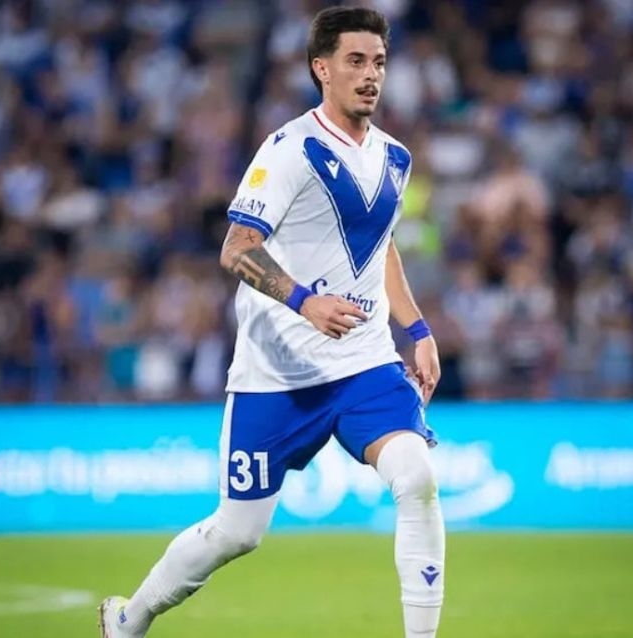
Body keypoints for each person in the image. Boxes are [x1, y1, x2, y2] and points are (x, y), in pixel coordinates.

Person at [98, 7, 445, 637]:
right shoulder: (291, 150)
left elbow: (381, 247)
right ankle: (129, 617)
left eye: (379, 62)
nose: (371, 75)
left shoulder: (395, 158)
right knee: (238, 532)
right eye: (355, 61)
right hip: (276, 377)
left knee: (416, 476)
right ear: (322, 69)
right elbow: (236, 249)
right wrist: (305, 301)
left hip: (364, 363)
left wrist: (416, 330)